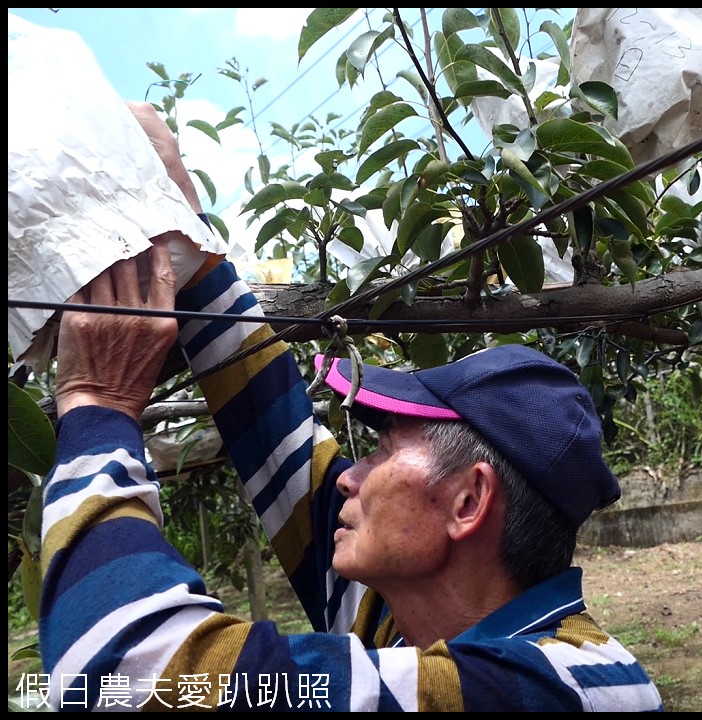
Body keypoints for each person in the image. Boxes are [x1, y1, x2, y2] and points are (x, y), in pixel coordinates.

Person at [37, 102, 665, 712]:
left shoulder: (573, 688)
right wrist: (189, 243)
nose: (348, 474)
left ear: (468, 501)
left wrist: (98, 404)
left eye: (385, 448)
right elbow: (274, 429)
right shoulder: (407, 629)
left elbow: (120, 671)